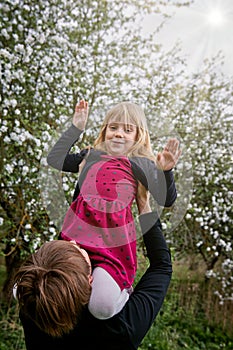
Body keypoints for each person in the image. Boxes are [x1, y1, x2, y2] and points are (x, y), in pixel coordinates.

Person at [47, 100, 180, 319]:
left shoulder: (141, 164)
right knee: (28, 290)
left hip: (112, 249)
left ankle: (122, 291)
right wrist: (76, 129)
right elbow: (55, 159)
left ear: (138, 136)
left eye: (127, 130)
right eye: (113, 128)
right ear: (105, 130)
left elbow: (167, 199)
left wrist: (166, 171)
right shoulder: (90, 156)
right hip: (76, 243)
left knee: (100, 308)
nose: (119, 134)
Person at [14, 183, 173, 350]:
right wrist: (143, 202)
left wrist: (87, 183)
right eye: (80, 250)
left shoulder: (34, 305)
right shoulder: (123, 326)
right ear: (91, 280)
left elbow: (58, 263)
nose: (76, 241)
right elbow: (161, 266)